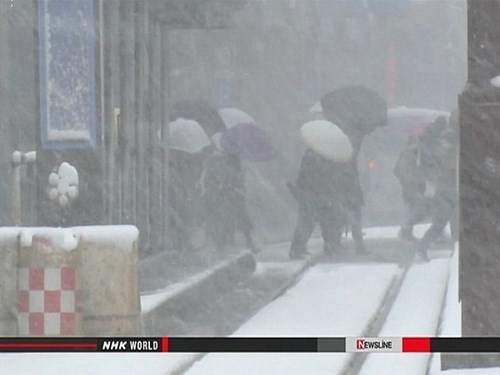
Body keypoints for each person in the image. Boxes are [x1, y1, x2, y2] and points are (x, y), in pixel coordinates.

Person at [288, 148, 353, 260]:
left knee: (319, 221)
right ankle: (298, 249)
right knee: (309, 222)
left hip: (315, 195)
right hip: (312, 195)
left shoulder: (316, 156)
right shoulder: (314, 157)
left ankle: (306, 248)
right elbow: (314, 176)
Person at [201, 138, 260, 254]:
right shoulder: (216, 161)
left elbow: (238, 178)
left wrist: (237, 184)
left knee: (241, 220)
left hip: (232, 195)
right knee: (225, 220)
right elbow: (209, 179)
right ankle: (223, 244)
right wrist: (220, 186)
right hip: (222, 196)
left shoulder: (234, 161)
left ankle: (245, 242)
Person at [415, 114, 458, 261]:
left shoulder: (443, 139)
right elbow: (444, 162)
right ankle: (424, 246)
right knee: (446, 219)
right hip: (447, 185)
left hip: (445, 185)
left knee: (444, 220)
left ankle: (424, 245)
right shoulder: (449, 140)